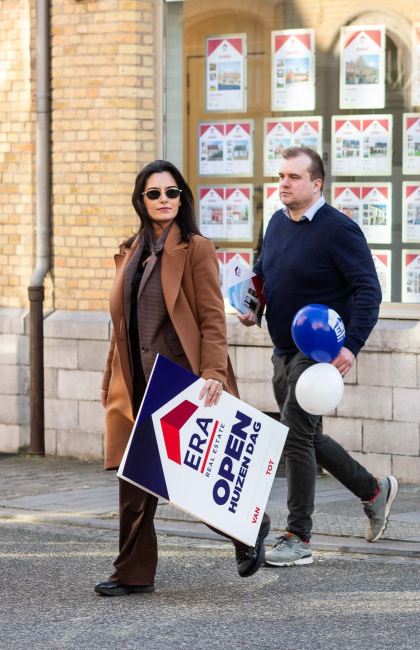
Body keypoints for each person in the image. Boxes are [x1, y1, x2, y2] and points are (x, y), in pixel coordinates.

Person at [97, 159, 270, 596]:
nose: (163, 200)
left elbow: (213, 319)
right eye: (154, 193)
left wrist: (213, 371)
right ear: (141, 200)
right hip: (135, 380)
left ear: (182, 198)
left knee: (194, 478)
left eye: (171, 192)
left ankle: (250, 525)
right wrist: (109, 382)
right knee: (134, 479)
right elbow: (120, 328)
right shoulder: (128, 250)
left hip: (180, 379)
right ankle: (132, 574)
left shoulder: (195, 248)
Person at [238, 146, 397, 567]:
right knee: (304, 435)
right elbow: (264, 269)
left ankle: (298, 537)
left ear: (316, 183)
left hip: (320, 353)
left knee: (293, 435)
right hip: (282, 350)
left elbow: (368, 291)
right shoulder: (275, 221)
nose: (284, 184)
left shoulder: (339, 229)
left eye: (293, 177)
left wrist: (351, 347)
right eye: (281, 177)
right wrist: (254, 305)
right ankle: (374, 490)